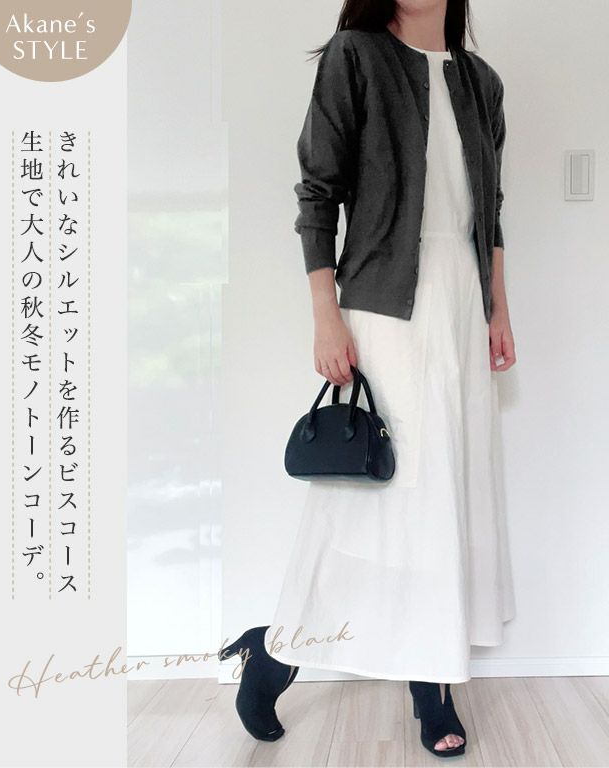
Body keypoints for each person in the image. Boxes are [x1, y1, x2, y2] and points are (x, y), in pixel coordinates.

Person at [220, 0, 517, 758]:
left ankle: (430, 681)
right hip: (384, 307)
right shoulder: (354, 56)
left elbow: (490, 211)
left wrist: (498, 309)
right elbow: (317, 193)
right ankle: (274, 653)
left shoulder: (481, 81)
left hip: (461, 306)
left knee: (445, 496)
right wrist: (326, 316)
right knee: (369, 501)